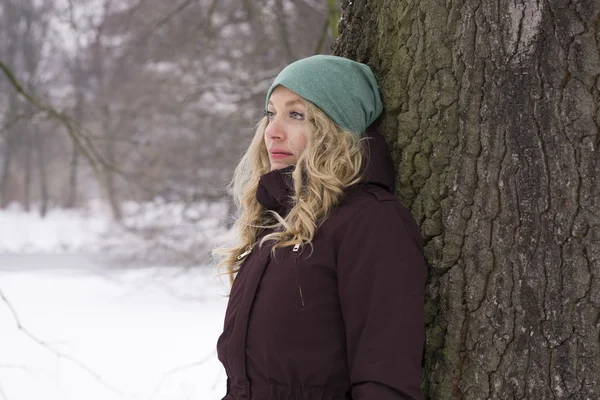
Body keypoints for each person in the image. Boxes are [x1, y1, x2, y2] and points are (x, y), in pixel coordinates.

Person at [214, 55, 428, 400]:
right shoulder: (275, 220)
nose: (273, 131)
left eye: (296, 115)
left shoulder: (370, 221)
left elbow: (385, 379)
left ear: (336, 126)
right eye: (271, 113)